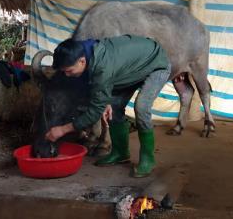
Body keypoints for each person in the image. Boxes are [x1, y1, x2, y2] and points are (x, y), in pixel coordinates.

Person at [45, 34, 171, 178]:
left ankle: (148, 159)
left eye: (69, 70)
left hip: (156, 64)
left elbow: (94, 111)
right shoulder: (84, 49)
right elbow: (102, 89)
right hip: (131, 68)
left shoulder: (101, 68)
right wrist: (105, 100)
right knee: (115, 107)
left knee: (141, 107)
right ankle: (120, 152)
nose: (67, 75)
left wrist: (63, 129)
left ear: (81, 61)